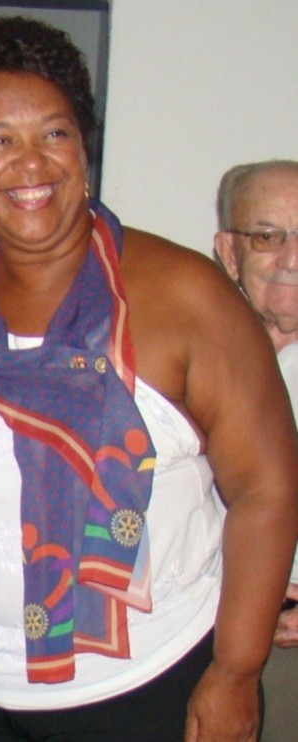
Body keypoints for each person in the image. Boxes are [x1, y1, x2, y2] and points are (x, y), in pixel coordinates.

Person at [0, 16, 298, 742]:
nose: (30, 164)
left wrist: (236, 670)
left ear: (84, 145)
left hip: (148, 683)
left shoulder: (183, 294)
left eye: (53, 133)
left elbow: (266, 489)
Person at [214, 159, 298, 650]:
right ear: (230, 252)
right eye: (267, 237)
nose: (292, 258)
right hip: (192, 628)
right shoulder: (189, 352)